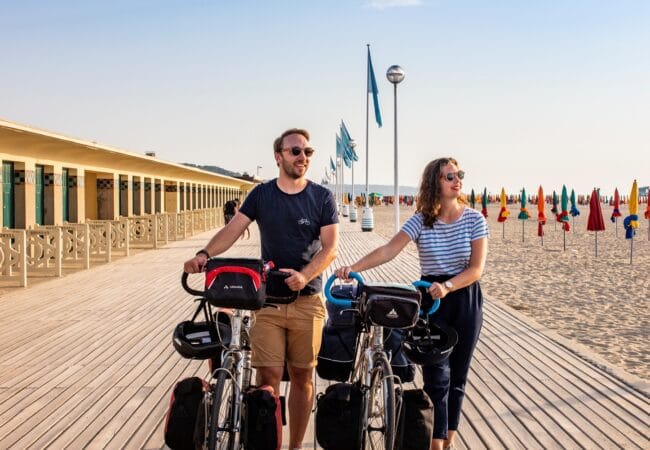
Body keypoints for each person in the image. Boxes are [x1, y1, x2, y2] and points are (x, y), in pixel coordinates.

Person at [184, 128, 339, 450]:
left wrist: (305, 274)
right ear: (278, 156)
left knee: (301, 378)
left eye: (308, 152)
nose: (303, 157)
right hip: (266, 301)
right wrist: (204, 255)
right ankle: (266, 441)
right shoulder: (262, 194)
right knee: (267, 379)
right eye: (295, 151)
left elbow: (330, 248)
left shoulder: (322, 197)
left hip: (307, 299)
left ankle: (295, 446)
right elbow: (233, 230)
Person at [335, 157, 488, 450]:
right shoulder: (421, 220)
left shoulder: (474, 219)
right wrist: (352, 268)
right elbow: (388, 250)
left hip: (464, 298)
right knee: (436, 376)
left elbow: (476, 269)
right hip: (431, 301)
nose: (457, 180)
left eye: (459, 175)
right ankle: (436, 443)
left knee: (457, 377)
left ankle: (445, 442)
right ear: (435, 183)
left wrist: (449, 285)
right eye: (449, 176)